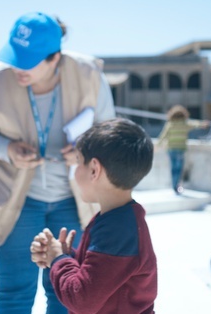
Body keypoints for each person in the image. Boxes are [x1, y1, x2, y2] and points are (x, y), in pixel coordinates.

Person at [0, 11, 115, 313]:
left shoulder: (89, 75)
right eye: (15, 56)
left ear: (55, 58)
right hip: (15, 201)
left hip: (72, 202)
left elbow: (109, 128)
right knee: (14, 291)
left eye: (29, 59)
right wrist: (8, 149)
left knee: (66, 293)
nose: (18, 66)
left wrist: (85, 150)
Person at [30, 118, 158, 314]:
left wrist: (59, 260)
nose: (75, 171)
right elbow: (102, 277)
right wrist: (65, 256)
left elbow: (82, 300)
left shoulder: (118, 230)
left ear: (94, 170)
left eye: (78, 162)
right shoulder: (118, 220)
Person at [156, 104, 210, 195]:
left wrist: (157, 146)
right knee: (179, 168)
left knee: (173, 168)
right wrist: (203, 124)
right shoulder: (185, 124)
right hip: (180, 149)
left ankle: (174, 185)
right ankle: (176, 185)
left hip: (171, 149)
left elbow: (163, 136)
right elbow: (196, 124)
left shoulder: (170, 124)